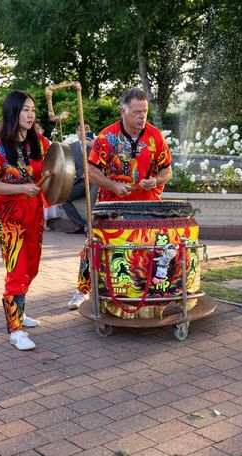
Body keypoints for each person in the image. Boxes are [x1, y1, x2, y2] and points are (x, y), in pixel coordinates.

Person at [67, 87, 172, 309]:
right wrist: (113, 185)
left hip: (147, 203)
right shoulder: (107, 137)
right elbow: (91, 170)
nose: (142, 116)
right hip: (111, 203)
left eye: (144, 111)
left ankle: (147, 289)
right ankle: (82, 289)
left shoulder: (155, 136)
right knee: (92, 246)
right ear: (123, 111)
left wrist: (155, 181)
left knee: (158, 247)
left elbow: (167, 170)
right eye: (137, 112)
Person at [0, 90, 52, 350]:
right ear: (13, 112)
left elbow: (51, 170)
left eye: (32, 109)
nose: (30, 114)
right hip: (7, 214)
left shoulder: (41, 143)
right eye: (25, 109)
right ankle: (15, 329)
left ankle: (19, 310)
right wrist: (22, 189)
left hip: (34, 210)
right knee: (17, 266)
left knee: (32, 265)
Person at [62, 122, 97, 234]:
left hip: (94, 180)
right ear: (77, 132)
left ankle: (90, 227)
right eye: (81, 129)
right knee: (64, 199)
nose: (85, 131)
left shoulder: (97, 143)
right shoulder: (72, 147)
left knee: (92, 199)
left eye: (87, 128)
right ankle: (81, 225)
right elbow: (68, 165)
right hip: (81, 182)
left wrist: (95, 146)